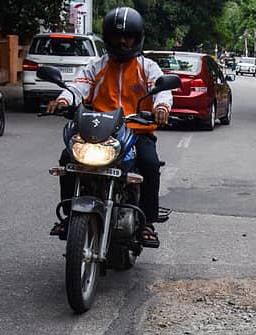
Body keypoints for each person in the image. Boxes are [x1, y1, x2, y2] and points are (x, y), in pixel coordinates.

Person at [47, 6, 171, 248]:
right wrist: (63, 100)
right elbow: (78, 87)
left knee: (150, 164)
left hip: (135, 131)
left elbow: (162, 91)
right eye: (116, 36)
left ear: (137, 38)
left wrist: (162, 107)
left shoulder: (148, 67)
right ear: (107, 37)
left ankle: (148, 222)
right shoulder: (96, 66)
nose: (122, 42)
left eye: (128, 36)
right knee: (68, 159)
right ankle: (70, 216)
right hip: (96, 130)